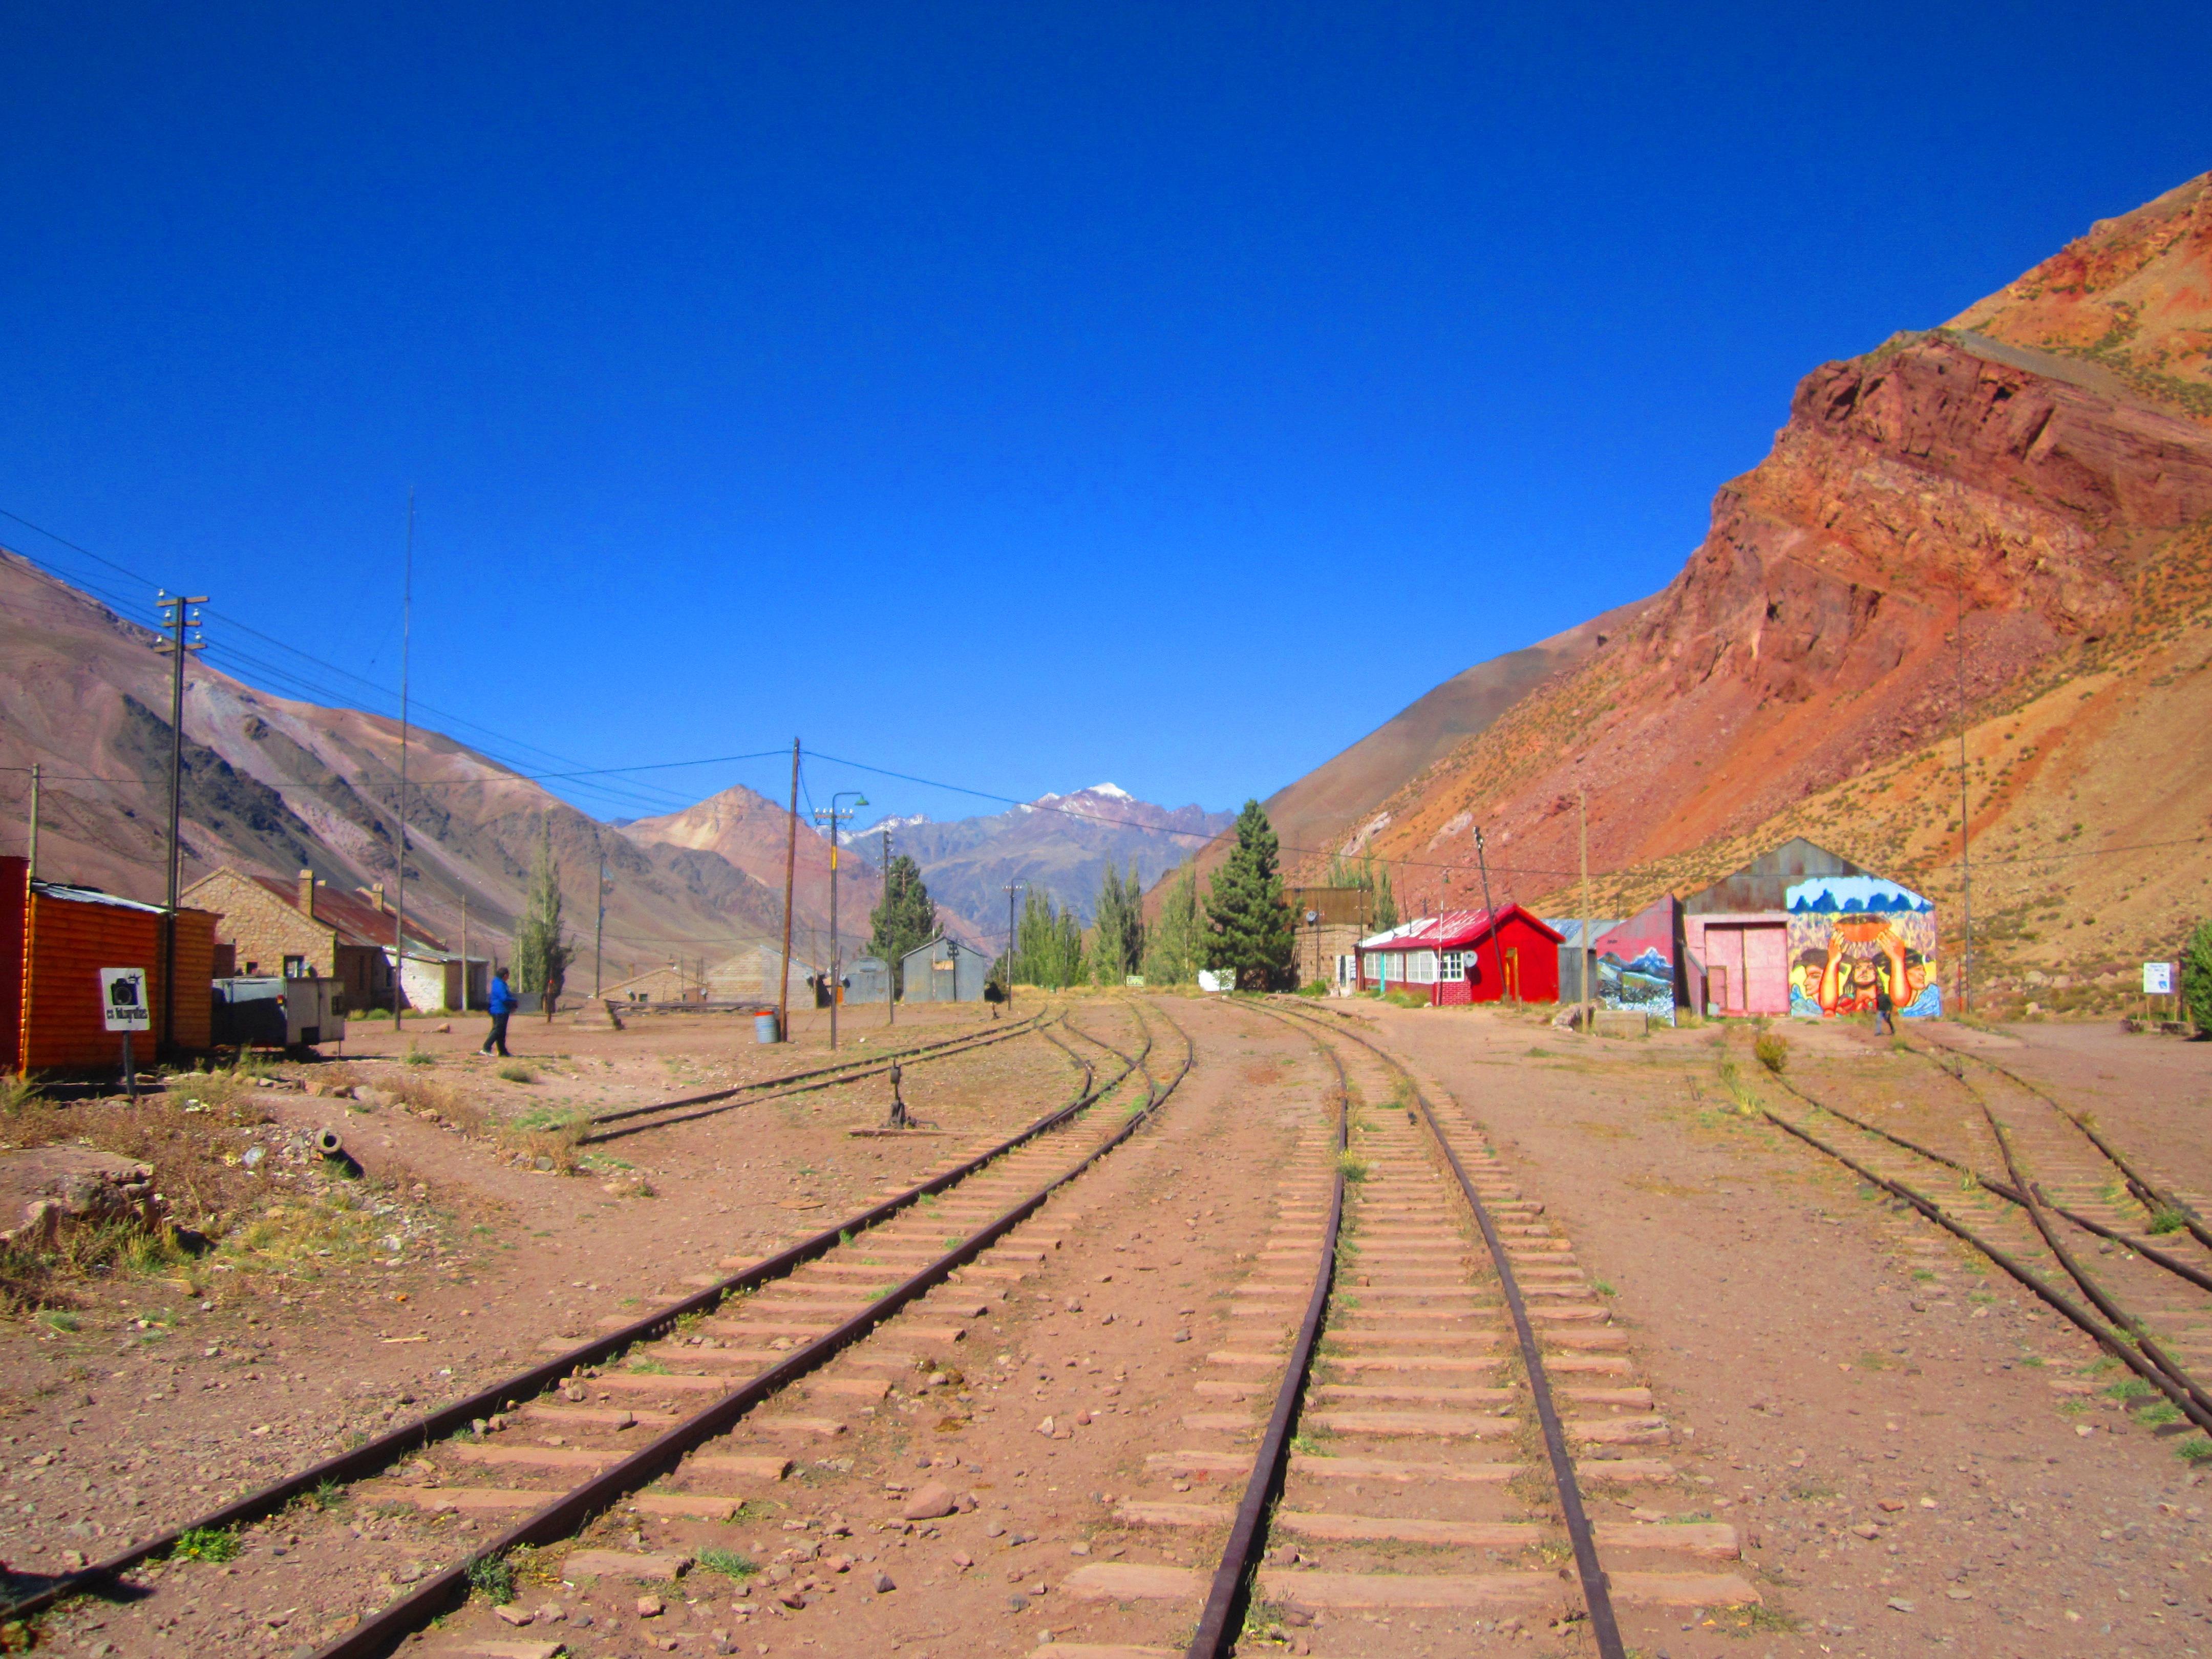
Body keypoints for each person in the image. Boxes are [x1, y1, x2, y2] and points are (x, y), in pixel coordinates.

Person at [482, 967, 517, 1057]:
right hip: (499, 1010)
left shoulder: (500, 983)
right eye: (508, 975)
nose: (508, 977)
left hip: (503, 1010)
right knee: (498, 1030)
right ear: (505, 975)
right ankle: (486, 1048)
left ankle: (502, 1051)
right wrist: (514, 1001)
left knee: (502, 1032)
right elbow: (504, 998)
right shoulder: (499, 984)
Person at [1873, 971, 1896, 1036]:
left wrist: (1889, 1011)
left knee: (1888, 1020)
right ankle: (1878, 1032)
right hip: (1880, 1010)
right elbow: (1878, 1003)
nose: (1879, 991)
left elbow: (1890, 1003)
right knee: (1878, 1020)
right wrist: (1877, 1009)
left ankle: (1893, 1030)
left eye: (1880, 990)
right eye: (1879, 990)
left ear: (1882, 990)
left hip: (1886, 1011)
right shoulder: (1878, 997)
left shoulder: (1886, 996)